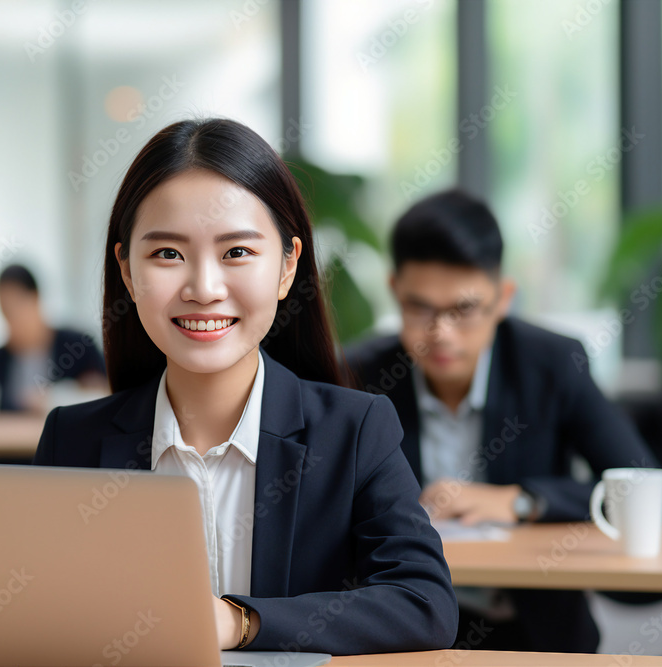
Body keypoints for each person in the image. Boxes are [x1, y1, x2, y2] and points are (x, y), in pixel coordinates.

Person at [32, 118, 458, 655]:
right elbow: (39, 615)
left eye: (236, 252)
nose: (204, 288)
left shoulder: (354, 431)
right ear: (127, 271)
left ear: (287, 267)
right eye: (168, 254)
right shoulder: (72, 441)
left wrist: (238, 622)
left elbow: (423, 603)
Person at [344, 189, 656, 653]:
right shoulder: (360, 374)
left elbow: (639, 481)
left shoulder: (551, 363)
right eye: (420, 307)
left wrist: (520, 501)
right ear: (395, 292)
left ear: (503, 297)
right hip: (406, 632)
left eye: (464, 309)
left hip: (534, 633)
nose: (441, 333)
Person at [0, 264, 106, 413]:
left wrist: (58, 397)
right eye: (6, 311)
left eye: (17, 307)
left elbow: (105, 391)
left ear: (35, 298)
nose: (12, 319)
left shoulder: (80, 347)